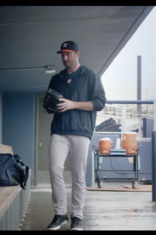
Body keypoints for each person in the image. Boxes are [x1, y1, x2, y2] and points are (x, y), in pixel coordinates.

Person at [43, 40, 106, 230]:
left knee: (78, 175)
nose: (64, 58)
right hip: (59, 131)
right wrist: (49, 105)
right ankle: (60, 214)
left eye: (68, 54)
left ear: (77, 54)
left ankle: (77, 217)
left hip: (81, 131)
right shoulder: (56, 79)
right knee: (55, 170)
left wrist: (73, 104)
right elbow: (48, 105)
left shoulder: (90, 76)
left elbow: (100, 102)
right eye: (62, 54)